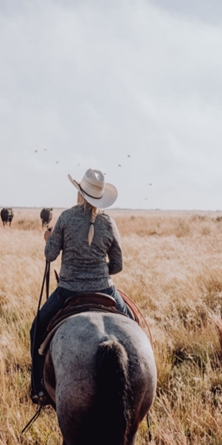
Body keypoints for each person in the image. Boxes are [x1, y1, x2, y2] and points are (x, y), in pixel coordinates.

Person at [30, 168, 134, 406]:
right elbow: (117, 265)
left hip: (68, 291)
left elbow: (50, 255)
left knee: (37, 329)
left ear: (79, 193)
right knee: (133, 326)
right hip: (105, 290)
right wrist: (96, 272)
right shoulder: (109, 222)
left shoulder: (66, 218)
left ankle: (38, 388)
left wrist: (49, 239)